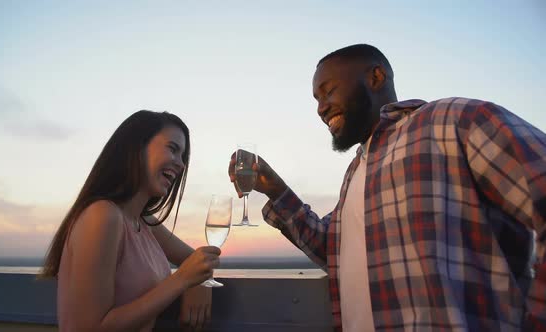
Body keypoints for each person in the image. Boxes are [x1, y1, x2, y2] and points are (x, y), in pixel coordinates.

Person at [229, 44, 546, 331]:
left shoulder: (454, 121)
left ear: (376, 77)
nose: (320, 108)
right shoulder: (357, 170)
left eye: (328, 92)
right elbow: (333, 250)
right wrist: (275, 189)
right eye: (316, 99)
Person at [41, 110, 221, 332]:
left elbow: (196, 260)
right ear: (136, 148)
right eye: (173, 149)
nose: (181, 164)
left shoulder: (143, 221)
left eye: (183, 156)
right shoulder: (103, 215)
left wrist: (200, 284)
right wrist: (182, 281)